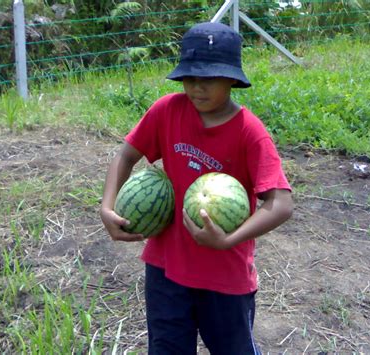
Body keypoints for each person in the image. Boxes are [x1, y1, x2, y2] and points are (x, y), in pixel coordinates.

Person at [100, 21, 293, 354]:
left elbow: (281, 203)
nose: (197, 89)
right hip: (165, 268)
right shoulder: (166, 112)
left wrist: (229, 239)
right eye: (190, 78)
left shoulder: (250, 132)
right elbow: (125, 154)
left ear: (232, 78)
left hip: (225, 275)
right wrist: (107, 207)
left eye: (209, 79)